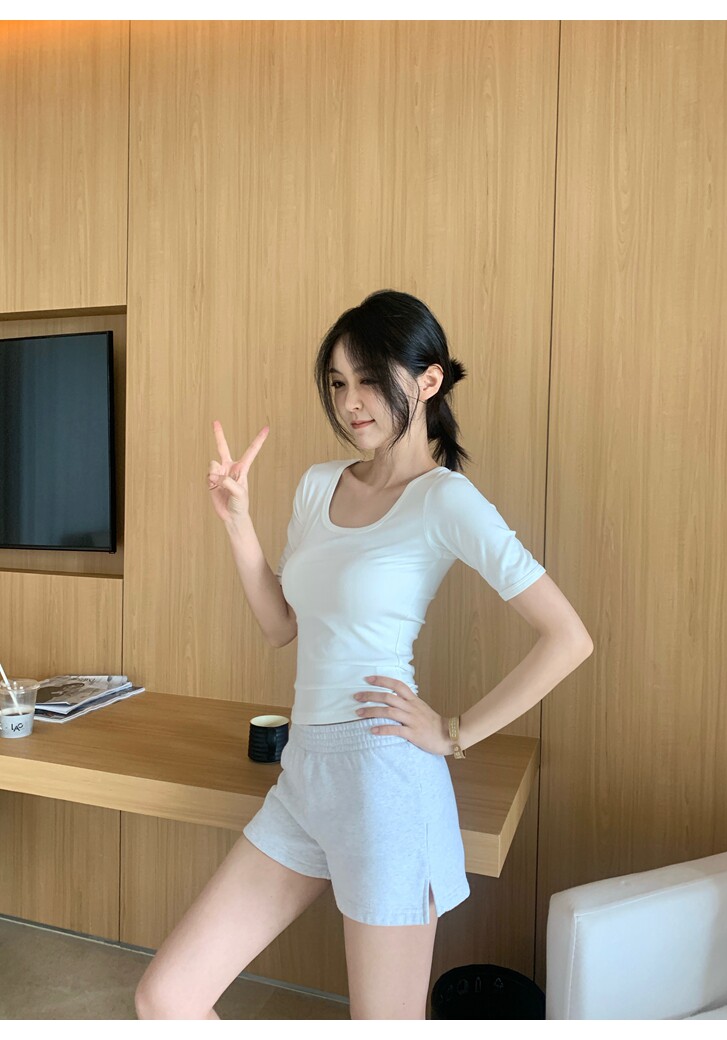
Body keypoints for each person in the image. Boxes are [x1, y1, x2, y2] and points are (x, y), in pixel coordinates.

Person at [135, 289, 592, 1020]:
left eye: (371, 379)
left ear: (429, 381)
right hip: (306, 775)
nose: (351, 401)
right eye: (339, 382)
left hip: (386, 784)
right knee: (167, 998)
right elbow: (282, 625)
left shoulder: (445, 500)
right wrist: (238, 522)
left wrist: (454, 732)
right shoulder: (320, 484)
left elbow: (569, 637)